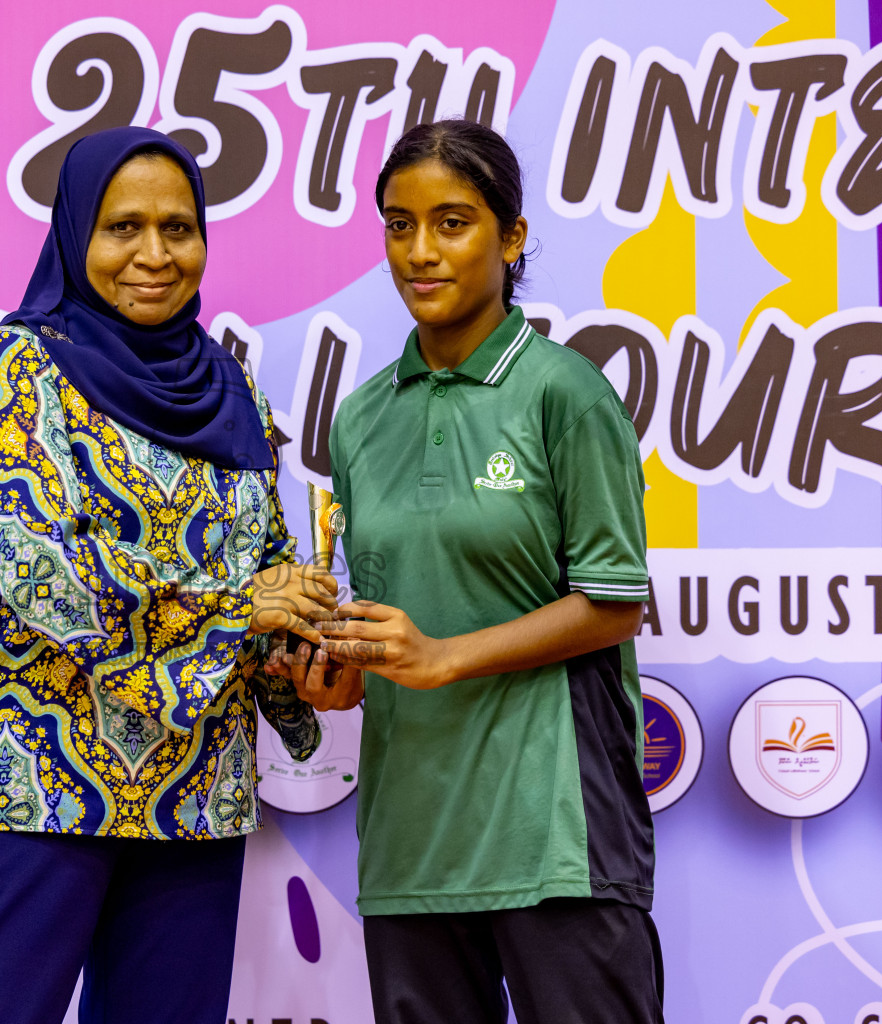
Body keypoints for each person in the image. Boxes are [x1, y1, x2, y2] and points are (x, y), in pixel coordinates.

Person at [0, 126, 337, 1024]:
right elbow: (41, 577)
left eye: (178, 229)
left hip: (193, 798)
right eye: (122, 228)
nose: (153, 255)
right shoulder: (14, 370)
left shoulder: (230, 388)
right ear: (76, 236)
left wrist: (300, 659)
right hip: (33, 783)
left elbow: (264, 577)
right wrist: (240, 606)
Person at [281, 119, 663, 1023]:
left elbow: (613, 604)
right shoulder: (361, 421)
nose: (420, 251)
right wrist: (343, 675)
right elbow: (391, 629)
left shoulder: (566, 393)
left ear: (512, 235)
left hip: (556, 838)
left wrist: (443, 656)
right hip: (412, 846)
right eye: (398, 224)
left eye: (452, 223)